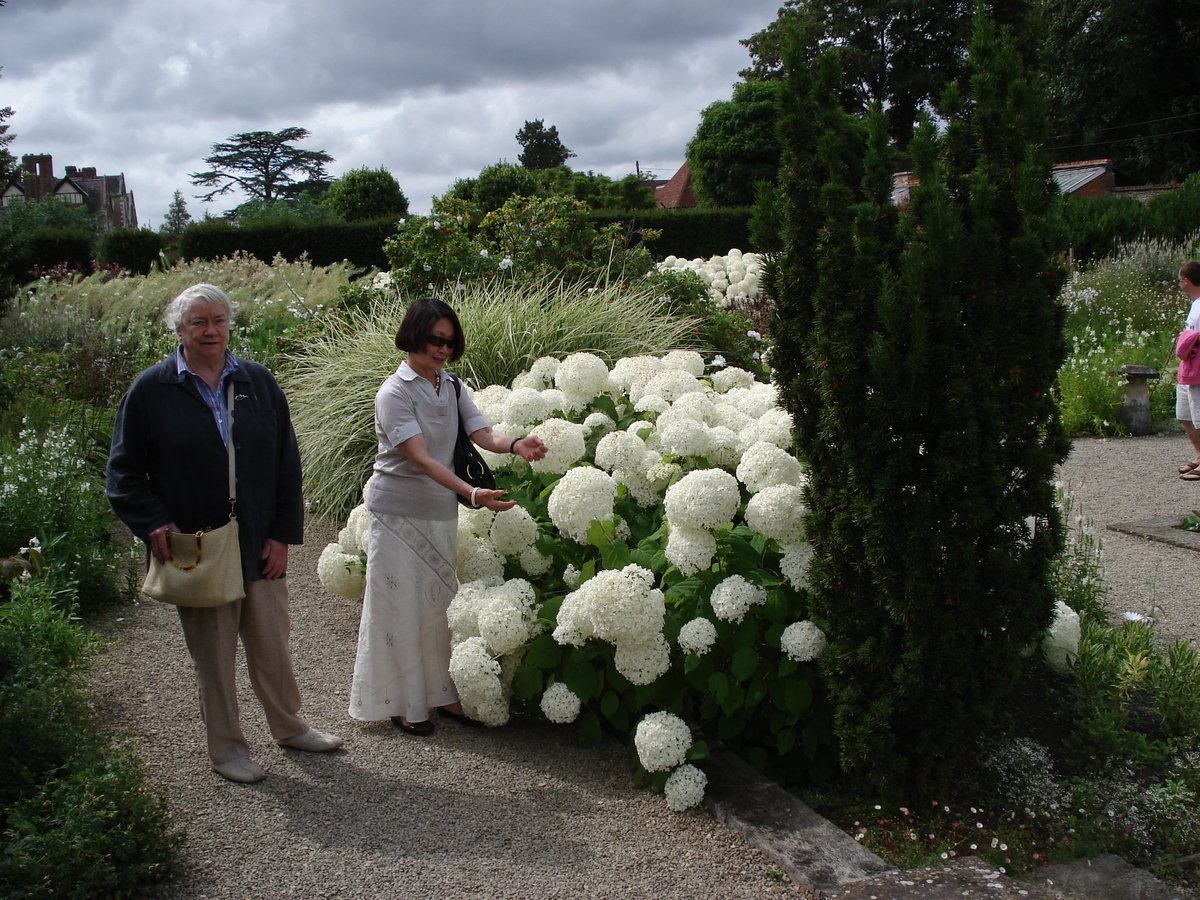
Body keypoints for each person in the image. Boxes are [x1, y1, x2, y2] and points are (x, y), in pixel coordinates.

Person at [107, 283, 343, 784]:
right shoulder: (151, 390)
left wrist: (282, 534)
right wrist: (153, 522)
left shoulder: (257, 381)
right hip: (200, 546)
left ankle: (290, 727)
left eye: (218, 320)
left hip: (259, 540)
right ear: (179, 330)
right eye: (198, 322)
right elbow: (123, 472)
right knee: (214, 656)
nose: (210, 330)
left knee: (272, 646)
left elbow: (286, 463)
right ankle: (228, 749)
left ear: (229, 325)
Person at [349, 296, 546, 735]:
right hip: (396, 514)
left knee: (440, 606)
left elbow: (481, 432)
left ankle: (442, 693)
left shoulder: (451, 386)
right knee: (398, 607)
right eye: (436, 340)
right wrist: (472, 493)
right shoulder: (394, 392)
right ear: (414, 336)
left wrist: (516, 444)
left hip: (439, 511)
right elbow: (420, 458)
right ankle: (404, 702)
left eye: (450, 342)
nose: (442, 349)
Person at [1175, 262, 1200, 481]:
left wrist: (1189, 340)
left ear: (1187, 280)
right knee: (1185, 413)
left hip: (1198, 365)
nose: (1179, 284)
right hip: (1189, 365)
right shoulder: (1195, 304)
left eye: (1180, 280)